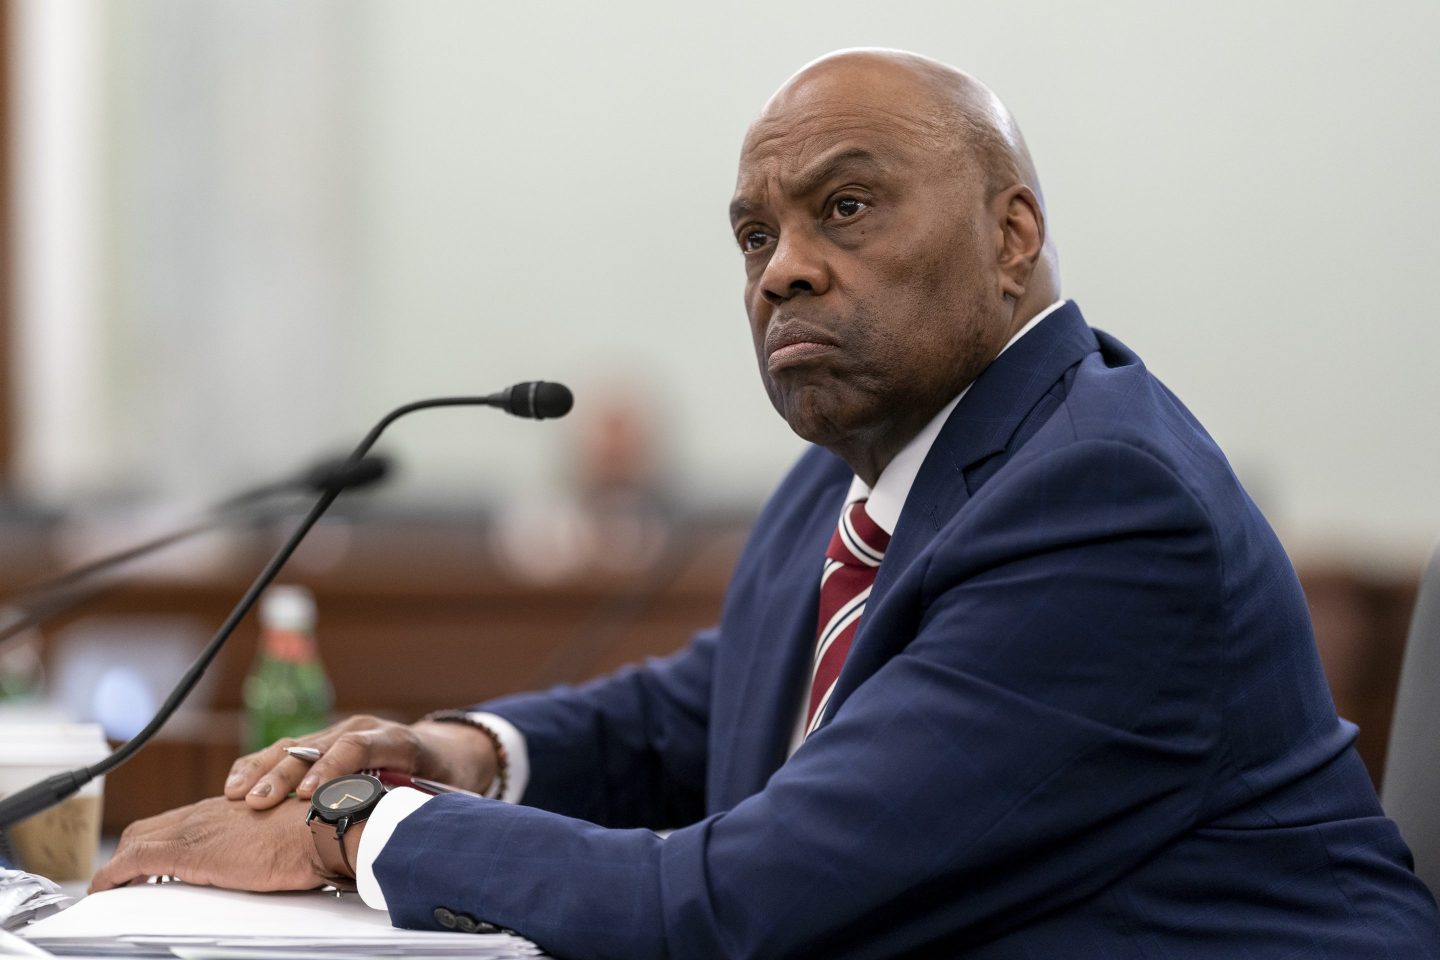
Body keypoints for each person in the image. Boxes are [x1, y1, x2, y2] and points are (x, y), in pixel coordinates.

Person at [90, 49, 1440, 958]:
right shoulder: (857, 474)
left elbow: (741, 908)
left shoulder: (1102, 504)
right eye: (756, 236)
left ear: (1013, 238)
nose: (784, 271)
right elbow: (698, 709)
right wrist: (456, 753)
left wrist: (347, 829)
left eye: (845, 210)